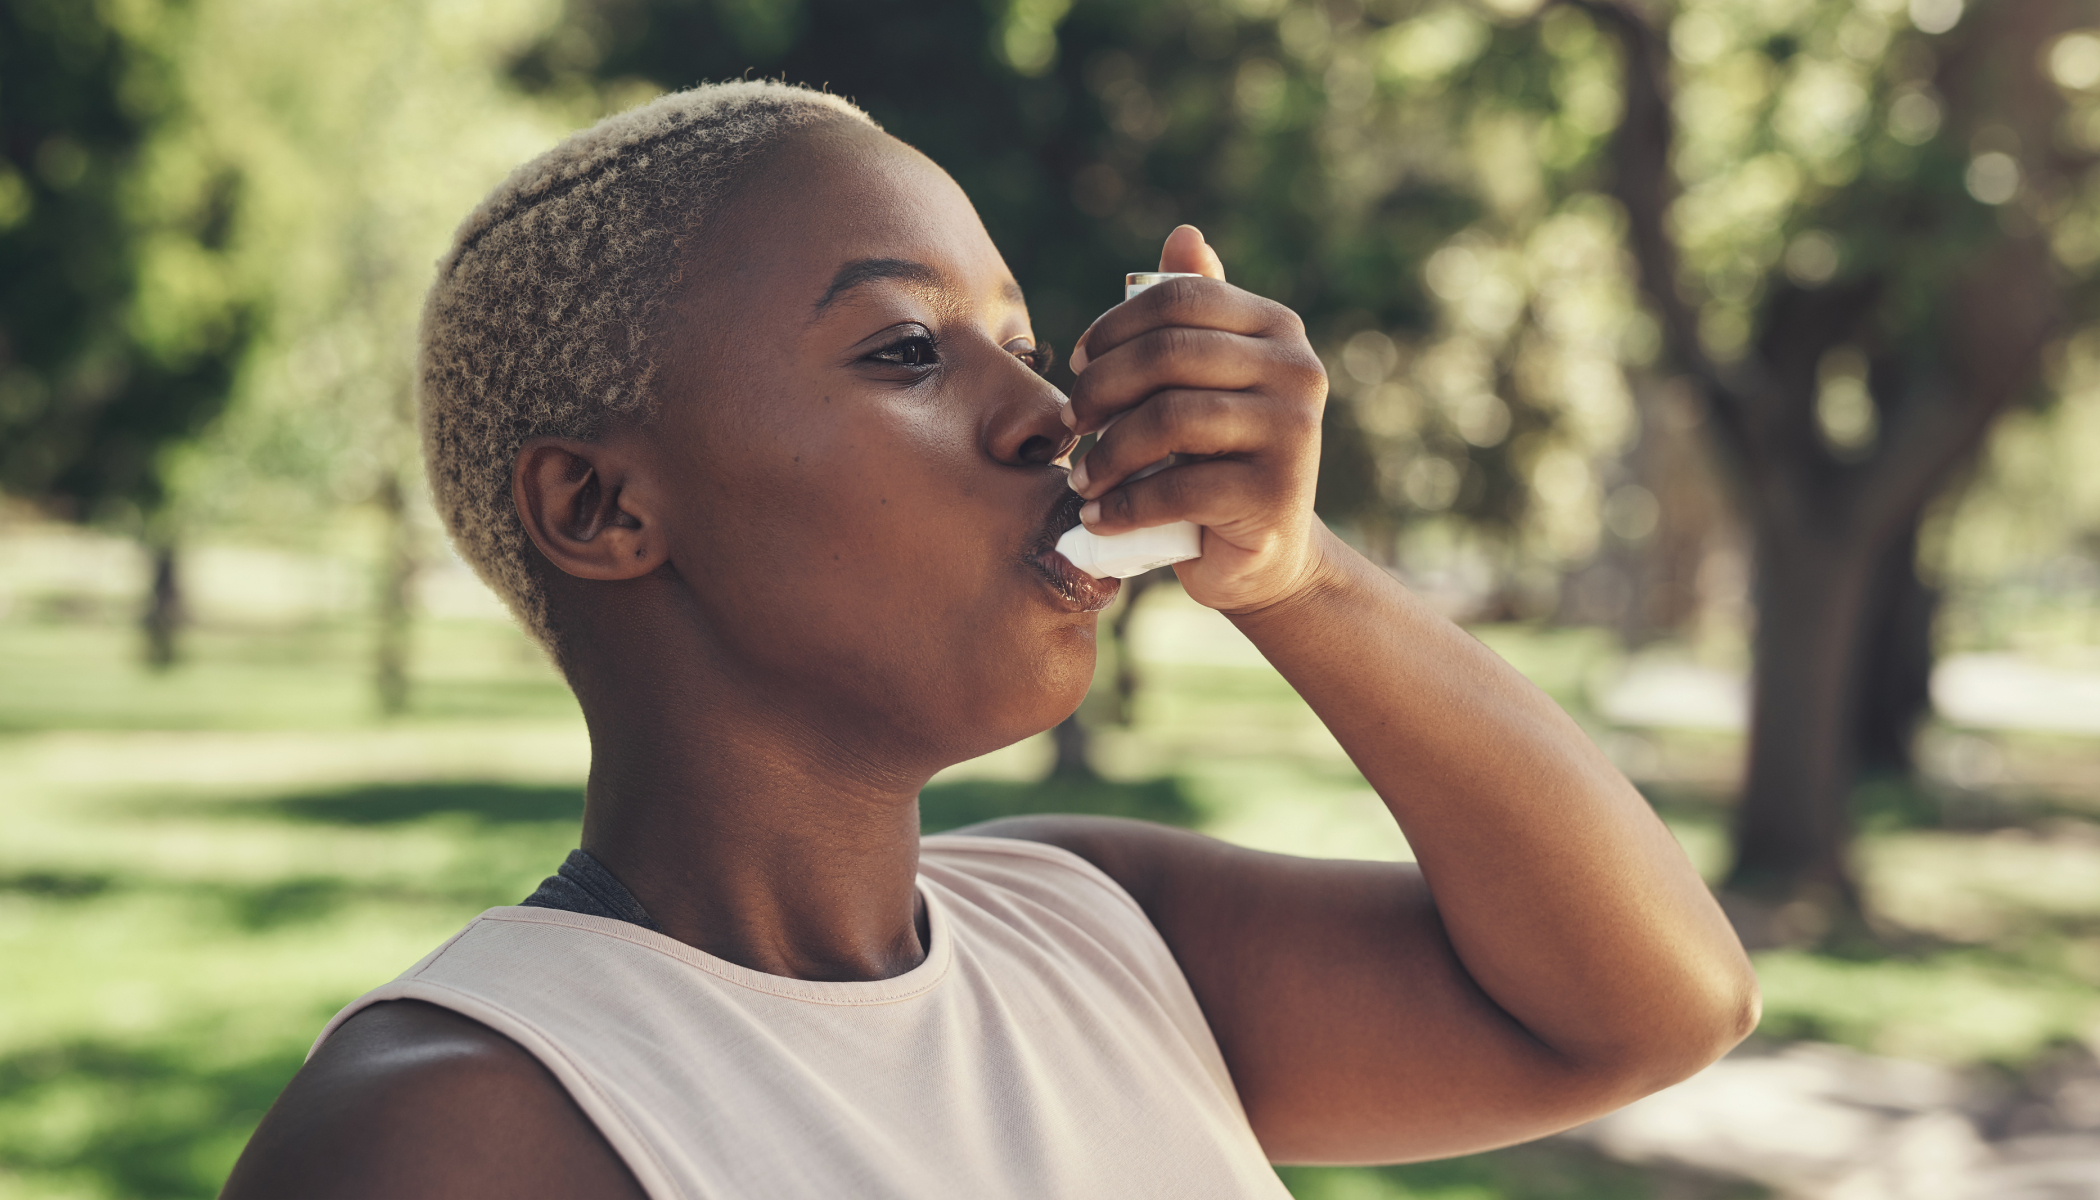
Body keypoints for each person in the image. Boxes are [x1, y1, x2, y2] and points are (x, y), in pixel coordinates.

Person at [220, 81, 1757, 1199]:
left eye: (1019, 348)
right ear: (604, 506)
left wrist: (1296, 576)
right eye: (904, 350)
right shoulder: (457, 1129)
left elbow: (1662, 1005)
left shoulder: (1096, 927)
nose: (1051, 416)